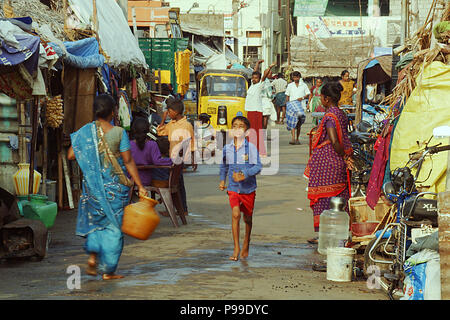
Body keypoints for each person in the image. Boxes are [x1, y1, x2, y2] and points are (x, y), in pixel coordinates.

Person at [67, 94, 147, 280]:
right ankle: (109, 270)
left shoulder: (85, 132)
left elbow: (71, 155)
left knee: (96, 224)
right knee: (113, 228)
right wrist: (140, 185)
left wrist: (90, 157)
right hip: (115, 190)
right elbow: (128, 161)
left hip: (93, 189)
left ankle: (93, 257)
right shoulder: (119, 133)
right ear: (113, 111)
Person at [303, 82, 355, 244]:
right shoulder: (341, 113)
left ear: (326, 99)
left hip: (329, 163)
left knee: (324, 199)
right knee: (338, 197)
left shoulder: (330, 117)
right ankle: (337, 233)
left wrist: (343, 156)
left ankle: (324, 234)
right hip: (335, 161)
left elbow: (334, 139)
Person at [219, 116, 262, 261]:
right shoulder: (227, 148)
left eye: (241, 126)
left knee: (247, 219)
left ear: (247, 131)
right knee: (235, 214)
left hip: (248, 189)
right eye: (235, 126)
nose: (237, 129)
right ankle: (236, 247)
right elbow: (223, 165)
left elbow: (258, 167)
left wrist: (245, 174)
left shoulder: (250, 148)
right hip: (233, 188)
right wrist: (221, 180)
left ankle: (246, 242)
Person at [157, 98, 197, 216]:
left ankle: (180, 209)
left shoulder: (186, 125)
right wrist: (164, 119)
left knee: (176, 185)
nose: (168, 113)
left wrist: (193, 159)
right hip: (172, 159)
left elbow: (192, 143)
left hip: (179, 160)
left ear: (175, 111)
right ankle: (180, 209)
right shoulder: (171, 124)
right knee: (177, 185)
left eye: (169, 111)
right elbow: (160, 132)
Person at [244, 59, 276, 156]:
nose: (254, 79)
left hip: (256, 111)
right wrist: (257, 63)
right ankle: (250, 152)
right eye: (253, 78)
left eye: (256, 78)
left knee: (257, 132)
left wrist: (270, 67)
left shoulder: (260, 85)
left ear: (259, 79)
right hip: (250, 111)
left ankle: (260, 151)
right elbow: (255, 72)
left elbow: (264, 75)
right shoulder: (252, 85)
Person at [130, 117, 173, 189]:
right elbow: (157, 161)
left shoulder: (128, 145)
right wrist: (172, 160)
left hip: (131, 179)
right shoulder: (152, 144)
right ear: (148, 130)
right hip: (146, 179)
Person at [285, 71, 309, 145]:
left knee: (298, 123)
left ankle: (297, 138)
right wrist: (287, 105)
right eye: (294, 77)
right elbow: (287, 96)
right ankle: (293, 138)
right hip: (292, 106)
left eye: (297, 77)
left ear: (299, 77)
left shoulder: (304, 85)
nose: (295, 78)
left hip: (300, 106)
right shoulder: (290, 85)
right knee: (293, 121)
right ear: (292, 77)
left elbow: (308, 94)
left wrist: (302, 98)